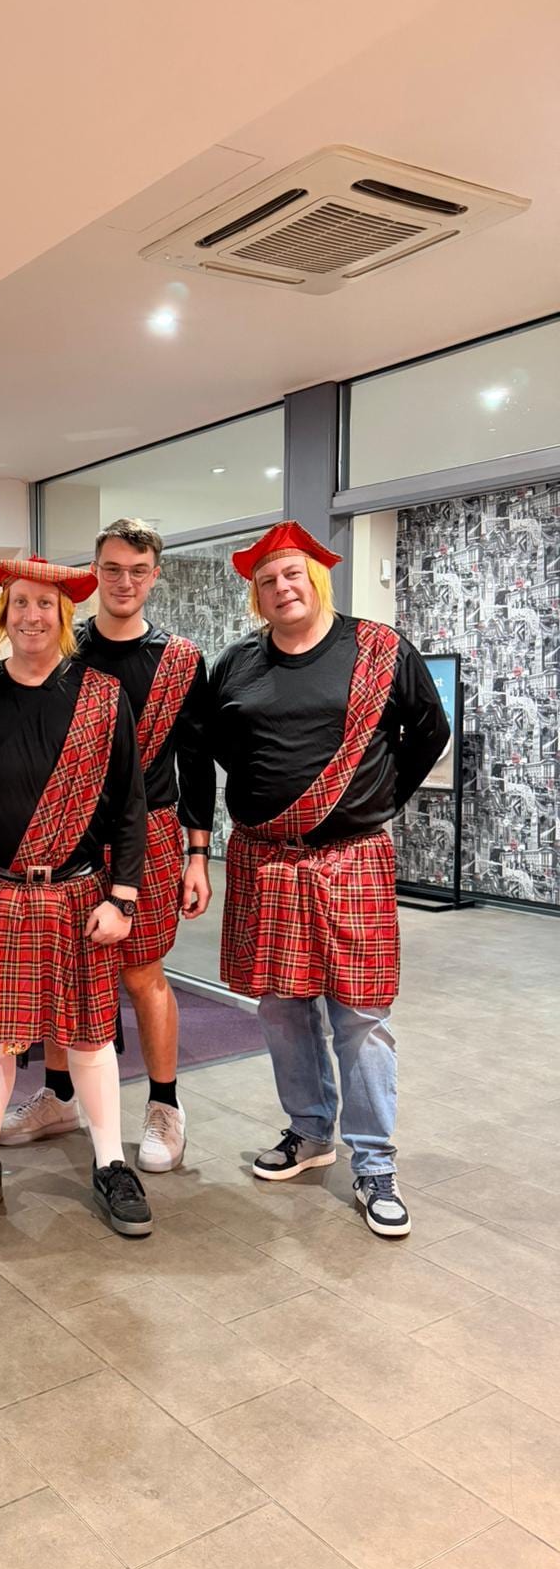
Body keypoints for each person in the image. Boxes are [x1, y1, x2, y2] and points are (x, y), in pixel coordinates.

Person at [208, 520, 449, 1237]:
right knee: (282, 1008)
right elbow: (222, 746)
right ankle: (310, 1132)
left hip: (351, 857)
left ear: (316, 578)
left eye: (292, 574)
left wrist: (376, 798)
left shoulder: (378, 649)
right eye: (267, 580)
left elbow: (428, 732)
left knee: (360, 1015)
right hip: (265, 859)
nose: (281, 588)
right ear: (256, 595)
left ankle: (374, 1163)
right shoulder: (237, 664)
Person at [0, 554, 152, 1238]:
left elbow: (130, 806)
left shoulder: (103, 694)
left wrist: (122, 899)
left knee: (91, 1035)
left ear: (64, 616)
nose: (32, 616)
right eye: (21, 603)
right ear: (3, 614)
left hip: (78, 893)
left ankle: (111, 1162)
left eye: (45, 605)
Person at [4, 520, 215, 1173]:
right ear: (94, 571)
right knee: (64, 969)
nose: (125, 581)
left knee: (143, 972)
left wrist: (198, 855)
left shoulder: (180, 659)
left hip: (150, 832)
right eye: (113, 568)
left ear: (155, 576)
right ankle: (60, 1097)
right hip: (67, 831)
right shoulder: (65, 650)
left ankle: (164, 1106)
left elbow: (197, 759)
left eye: (138, 570)